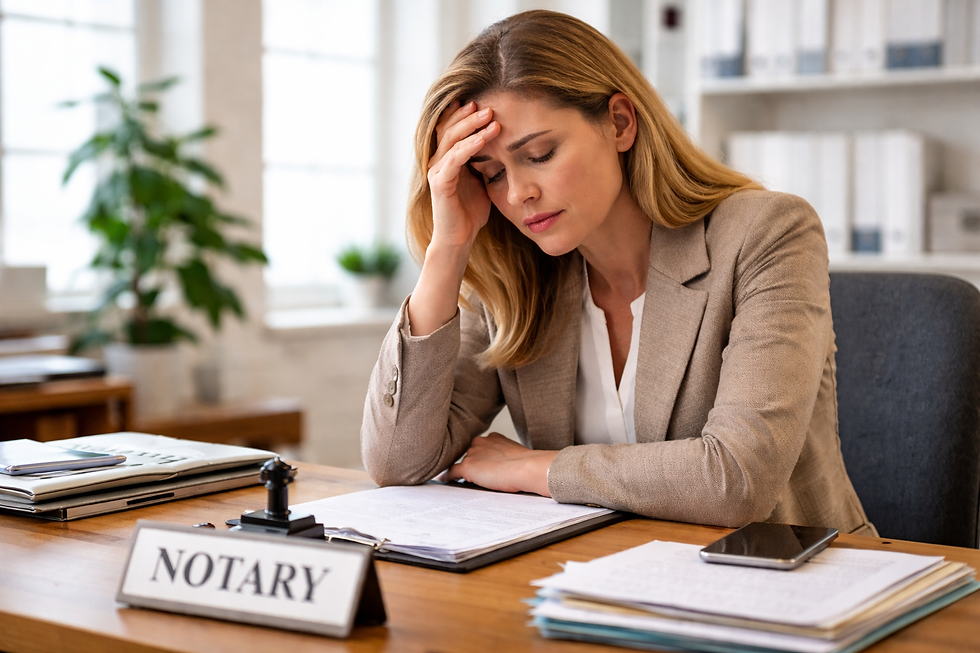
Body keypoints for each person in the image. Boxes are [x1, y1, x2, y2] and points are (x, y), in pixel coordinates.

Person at [360, 10, 875, 534]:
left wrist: (538, 467)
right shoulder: (514, 276)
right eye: (490, 175)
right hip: (594, 576)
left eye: (539, 154)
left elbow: (737, 480)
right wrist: (449, 247)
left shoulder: (766, 233)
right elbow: (397, 462)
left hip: (782, 580)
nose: (517, 195)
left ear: (620, 123)